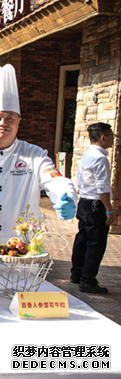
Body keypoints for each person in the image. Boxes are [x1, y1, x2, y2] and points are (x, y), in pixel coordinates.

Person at [0, 64, 77, 247]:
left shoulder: (34, 155)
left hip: (23, 248)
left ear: (18, 122)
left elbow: (55, 179)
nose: (4, 123)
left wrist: (66, 196)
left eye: (10, 118)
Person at [71, 122, 116, 294]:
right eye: (111, 135)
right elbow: (102, 188)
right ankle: (88, 280)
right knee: (96, 243)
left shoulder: (88, 154)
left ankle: (77, 273)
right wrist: (109, 209)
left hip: (84, 201)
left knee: (82, 238)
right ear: (103, 137)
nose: (113, 139)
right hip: (96, 204)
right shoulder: (100, 158)